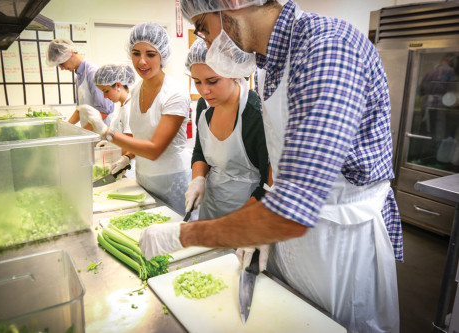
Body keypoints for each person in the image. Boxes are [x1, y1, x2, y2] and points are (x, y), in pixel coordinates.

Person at [139, 1, 403, 332]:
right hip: (291, 238)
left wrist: (183, 234)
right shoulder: (266, 66)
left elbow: (301, 197)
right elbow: (279, 159)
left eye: (204, 27)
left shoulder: (328, 47)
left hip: (338, 242)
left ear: (232, 4)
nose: (205, 42)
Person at [79, 22, 191, 214]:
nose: (142, 62)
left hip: (172, 180)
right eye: (136, 53)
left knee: (172, 236)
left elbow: (155, 149)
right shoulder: (138, 88)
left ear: (162, 55)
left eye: (150, 54)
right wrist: (127, 157)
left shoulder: (175, 93)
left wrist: (106, 132)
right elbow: (141, 138)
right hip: (144, 177)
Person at [184, 38, 269, 219]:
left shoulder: (255, 113)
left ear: (234, 72)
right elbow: (200, 151)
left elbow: (269, 182)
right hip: (211, 208)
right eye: (197, 82)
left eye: (212, 81)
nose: (204, 91)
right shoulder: (204, 107)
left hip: (247, 213)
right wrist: (198, 179)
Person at [46, 38, 114, 129]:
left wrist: (83, 132)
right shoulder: (79, 76)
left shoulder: (92, 73)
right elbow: (80, 110)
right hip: (91, 133)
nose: (62, 68)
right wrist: (65, 127)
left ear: (70, 53)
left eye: (61, 63)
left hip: (102, 134)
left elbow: (103, 112)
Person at [93, 63, 136, 176]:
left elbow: (129, 143)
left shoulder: (129, 108)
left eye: (106, 91)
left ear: (118, 85)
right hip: (119, 166)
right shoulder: (123, 106)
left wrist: (107, 155)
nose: (105, 96)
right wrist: (109, 145)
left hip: (127, 168)